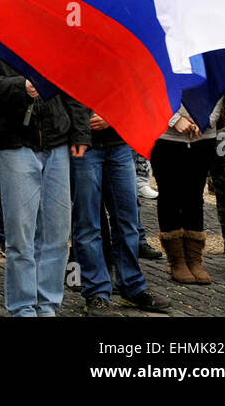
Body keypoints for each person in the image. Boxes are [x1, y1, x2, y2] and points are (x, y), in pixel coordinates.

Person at [0, 50, 89, 317]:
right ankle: (23, 308)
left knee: (57, 234)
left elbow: (72, 85)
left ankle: (47, 306)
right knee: (21, 235)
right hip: (13, 143)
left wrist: (80, 131)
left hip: (57, 142)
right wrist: (20, 86)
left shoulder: (53, 36)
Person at [70, 106, 170, 314]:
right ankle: (96, 292)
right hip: (82, 144)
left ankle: (132, 286)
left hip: (119, 143)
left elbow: (133, 95)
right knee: (88, 223)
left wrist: (114, 116)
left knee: (128, 221)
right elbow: (67, 97)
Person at [152, 99, 223, 285]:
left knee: (195, 196)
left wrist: (205, 120)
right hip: (166, 137)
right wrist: (173, 119)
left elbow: (218, 88)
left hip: (204, 136)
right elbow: (152, 89)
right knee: (170, 195)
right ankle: (177, 261)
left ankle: (194, 259)